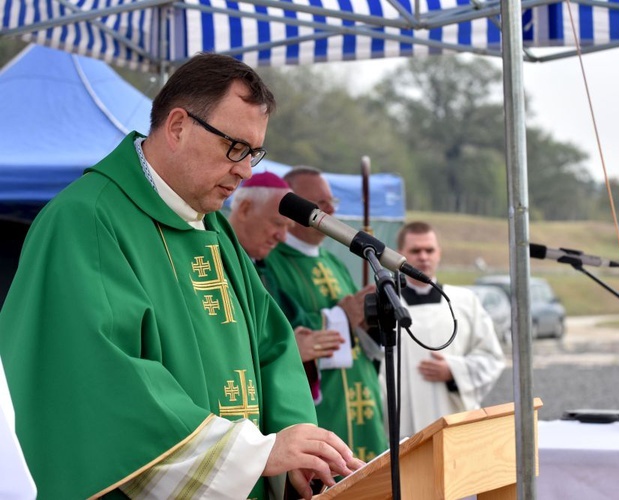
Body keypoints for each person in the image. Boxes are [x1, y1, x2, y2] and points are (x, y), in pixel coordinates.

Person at [0, 53, 363, 500]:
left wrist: (297, 440)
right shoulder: (86, 219)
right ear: (177, 126)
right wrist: (253, 455)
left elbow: (272, 342)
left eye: (253, 152)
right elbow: (102, 378)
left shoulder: (212, 225)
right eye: (235, 148)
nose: (245, 170)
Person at [263, 166, 388, 462]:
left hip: (360, 391)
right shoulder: (271, 262)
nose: (331, 211)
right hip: (322, 402)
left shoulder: (335, 261)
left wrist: (366, 317)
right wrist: (342, 315)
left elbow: (354, 325)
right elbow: (277, 330)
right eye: (320, 204)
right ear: (294, 207)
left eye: (333, 202)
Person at [384, 221, 505, 439]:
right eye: (415, 250)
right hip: (401, 424)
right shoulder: (387, 305)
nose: (423, 257)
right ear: (400, 254)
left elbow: (492, 359)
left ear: (439, 253)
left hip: (454, 420)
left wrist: (453, 371)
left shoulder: (465, 301)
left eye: (429, 250)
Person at [228, 172, 345, 393]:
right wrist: (289, 349)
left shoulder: (261, 271)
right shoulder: (217, 261)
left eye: (288, 227)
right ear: (244, 209)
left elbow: (290, 324)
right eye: (277, 223)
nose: (282, 237)